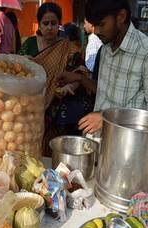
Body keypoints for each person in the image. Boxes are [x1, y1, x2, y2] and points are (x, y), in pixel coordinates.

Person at [58, 0, 148, 134]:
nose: (97, 31)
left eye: (101, 24)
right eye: (94, 25)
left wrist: (107, 118)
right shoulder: (106, 47)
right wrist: (79, 78)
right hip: (98, 140)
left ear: (121, 16)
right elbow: (105, 91)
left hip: (125, 146)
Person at [19, 2, 94, 156]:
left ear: (59, 24)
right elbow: (15, 70)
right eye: (45, 23)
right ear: (39, 24)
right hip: (31, 106)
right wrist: (23, 62)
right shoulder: (29, 44)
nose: (49, 27)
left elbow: (80, 71)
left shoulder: (68, 47)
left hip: (58, 107)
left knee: (52, 149)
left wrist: (70, 87)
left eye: (53, 23)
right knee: (30, 144)